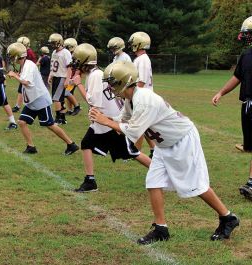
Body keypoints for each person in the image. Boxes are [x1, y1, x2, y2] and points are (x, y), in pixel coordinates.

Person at [89, 60, 240, 244]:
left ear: (123, 81)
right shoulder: (132, 99)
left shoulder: (143, 99)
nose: (110, 88)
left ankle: (227, 217)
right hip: (164, 144)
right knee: (153, 182)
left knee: (195, 185)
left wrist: (105, 121)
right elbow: (122, 120)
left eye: (112, 83)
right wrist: (105, 118)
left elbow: (133, 131)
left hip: (181, 140)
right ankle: (161, 229)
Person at [68, 44, 151, 192]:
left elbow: (92, 101)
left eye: (77, 60)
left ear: (83, 61)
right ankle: (90, 181)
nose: (75, 63)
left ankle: (163, 172)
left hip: (108, 122)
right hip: (104, 120)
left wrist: (78, 84)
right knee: (86, 144)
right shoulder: (95, 74)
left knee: (131, 152)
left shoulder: (95, 76)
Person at [6, 42, 79, 155]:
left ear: (16, 55)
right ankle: (31, 147)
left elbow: (27, 82)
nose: (10, 58)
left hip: (40, 99)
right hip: (32, 100)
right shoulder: (25, 64)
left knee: (50, 124)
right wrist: (17, 75)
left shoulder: (29, 65)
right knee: (21, 122)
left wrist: (15, 76)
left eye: (11, 55)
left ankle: (71, 144)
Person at [212, 16, 252, 199]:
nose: (246, 37)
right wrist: (221, 92)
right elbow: (237, 78)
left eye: (248, 34)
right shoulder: (246, 55)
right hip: (248, 105)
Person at [128, 31, 156, 158]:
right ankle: (154, 149)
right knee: (145, 126)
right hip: (142, 96)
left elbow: (142, 81)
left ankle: (135, 152)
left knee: (139, 126)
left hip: (143, 97)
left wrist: (132, 95)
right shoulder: (140, 59)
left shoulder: (143, 59)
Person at [48, 33, 75, 124]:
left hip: (62, 77)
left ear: (59, 42)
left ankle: (58, 118)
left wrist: (67, 79)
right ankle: (63, 119)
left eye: (54, 42)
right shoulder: (54, 52)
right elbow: (53, 66)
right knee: (59, 99)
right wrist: (50, 75)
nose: (52, 44)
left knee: (56, 99)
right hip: (56, 76)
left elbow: (69, 67)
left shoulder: (66, 52)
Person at [12, 36, 37, 113]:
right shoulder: (26, 52)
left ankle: (18, 106)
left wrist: (21, 73)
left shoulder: (28, 52)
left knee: (23, 89)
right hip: (26, 73)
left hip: (29, 74)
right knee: (22, 90)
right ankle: (18, 105)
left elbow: (27, 65)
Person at [63, 37, 81, 116]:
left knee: (68, 93)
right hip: (70, 76)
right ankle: (70, 110)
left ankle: (77, 107)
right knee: (69, 93)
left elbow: (78, 68)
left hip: (73, 77)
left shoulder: (77, 56)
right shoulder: (70, 54)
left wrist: (74, 77)